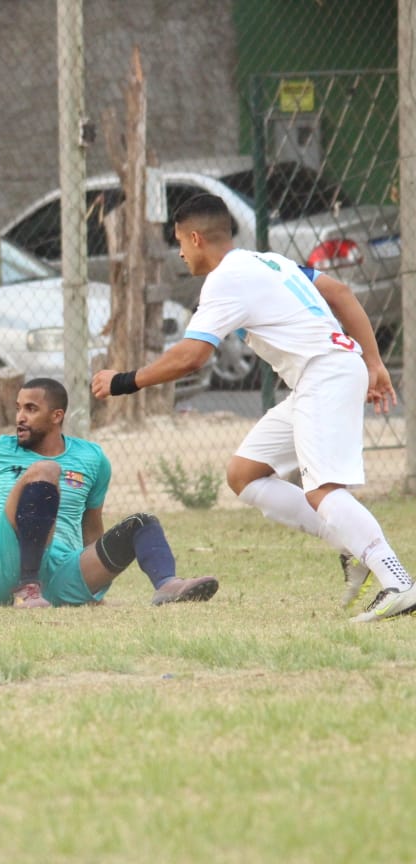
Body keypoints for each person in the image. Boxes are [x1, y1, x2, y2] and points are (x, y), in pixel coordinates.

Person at [92, 192, 412, 623]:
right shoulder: (268, 261)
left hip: (325, 373)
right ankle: (351, 543)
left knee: (323, 490)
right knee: (244, 473)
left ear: (195, 238)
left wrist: (124, 381)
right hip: (324, 374)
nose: (180, 254)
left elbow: (192, 356)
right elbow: (339, 292)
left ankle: (398, 582)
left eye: (180, 244)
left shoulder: (224, 279)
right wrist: (371, 361)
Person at [0, 378, 219, 609]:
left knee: (142, 523)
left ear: (57, 416)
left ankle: (168, 585)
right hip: (5, 569)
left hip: (61, 572)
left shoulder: (92, 458)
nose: (20, 417)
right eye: (19, 408)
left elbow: (91, 525)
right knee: (45, 470)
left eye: (31, 409)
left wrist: (95, 585)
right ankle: (27, 587)